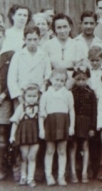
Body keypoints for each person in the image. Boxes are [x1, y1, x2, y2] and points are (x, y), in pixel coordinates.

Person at [39, 68, 75, 186]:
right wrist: (41, 129)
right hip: (50, 123)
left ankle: (61, 176)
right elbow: (41, 112)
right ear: (51, 79)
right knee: (49, 150)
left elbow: (71, 110)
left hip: (63, 123)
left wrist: (71, 127)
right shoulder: (45, 94)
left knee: (62, 151)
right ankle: (49, 175)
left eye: (62, 81)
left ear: (65, 82)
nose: (59, 83)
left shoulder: (68, 93)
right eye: (56, 80)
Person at [7, 26, 51, 106]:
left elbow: (47, 76)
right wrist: (19, 96)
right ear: (24, 40)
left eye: (35, 39)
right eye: (29, 39)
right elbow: (11, 78)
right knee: (20, 116)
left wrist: (41, 93)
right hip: (21, 95)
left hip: (38, 96)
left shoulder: (44, 55)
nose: (32, 43)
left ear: (39, 39)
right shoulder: (18, 55)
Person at [42, 14, 86, 88]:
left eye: (65, 27)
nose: (62, 31)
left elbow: (80, 66)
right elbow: (44, 67)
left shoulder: (77, 45)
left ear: (70, 27)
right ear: (54, 29)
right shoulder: (47, 45)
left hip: (73, 82)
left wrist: (70, 83)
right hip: (53, 83)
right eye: (59, 28)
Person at [9, 83, 41, 187]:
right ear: (24, 96)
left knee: (32, 157)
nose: (32, 99)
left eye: (34, 96)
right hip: (23, 135)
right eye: (29, 96)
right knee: (24, 157)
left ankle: (30, 178)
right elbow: (15, 122)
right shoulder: (21, 107)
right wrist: (12, 136)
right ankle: (23, 177)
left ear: (38, 96)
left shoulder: (39, 108)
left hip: (35, 135)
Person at [69, 66, 97, 184]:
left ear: (87, 79)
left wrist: (92, 127)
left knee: (85, 146)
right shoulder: (71, 92)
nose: (81, 82)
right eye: (78, 79)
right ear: (74, 79)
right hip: (74, 121)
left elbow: (94, 111)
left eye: (83, 79)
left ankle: (84, 172)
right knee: (73, 146)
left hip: (86, 122)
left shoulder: (91, 93)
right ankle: (73, 172)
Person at [0, 25, 11, 180]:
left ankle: (1, 168)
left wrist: (3, 95)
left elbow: (12, 79)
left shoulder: (9, 56)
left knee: (2, 133)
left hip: (3, 98)